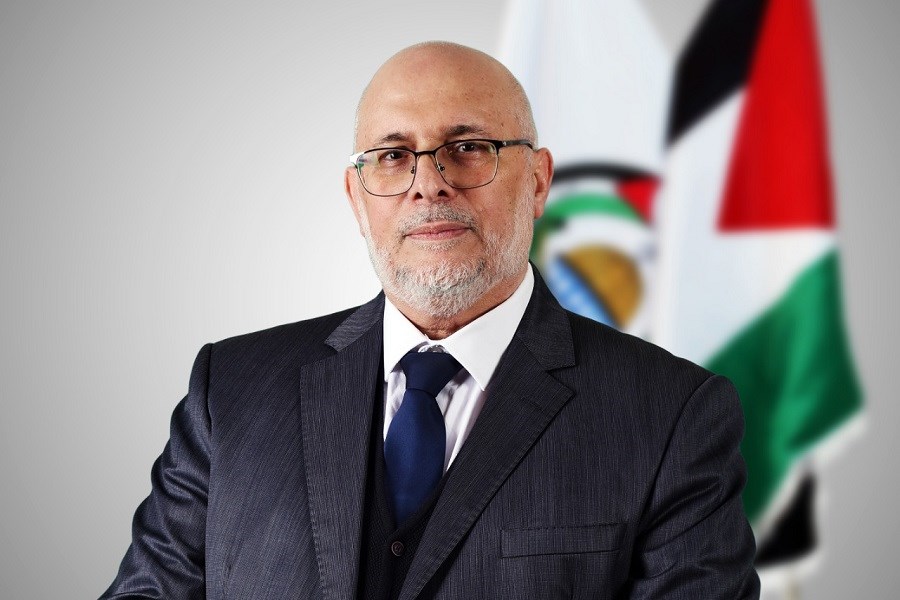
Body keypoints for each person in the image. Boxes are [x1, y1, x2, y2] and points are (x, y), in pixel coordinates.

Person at [101, 41, 759, 599]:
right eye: (393, 156)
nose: (428, 183)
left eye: (468, 147)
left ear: (537, 181)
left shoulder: (671, 416)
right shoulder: (230, 390)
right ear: (356, 198)